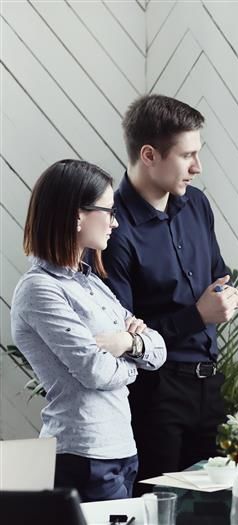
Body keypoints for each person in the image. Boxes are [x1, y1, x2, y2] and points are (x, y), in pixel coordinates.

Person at [101, 94, 238, 494]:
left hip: (209, 385)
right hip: (154, 394)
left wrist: (224, 299)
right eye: (187, 156)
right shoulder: (113, 230)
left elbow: (219, 275)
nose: (198, 167)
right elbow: (124, 338)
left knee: (215, 510)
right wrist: (199, 315)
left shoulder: (197, 204)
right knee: (157, 508)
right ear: (149, 154)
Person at [10, 159, 166, 502]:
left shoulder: (91, 283)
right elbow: (94, 371)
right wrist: (133, 359)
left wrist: (125, 341)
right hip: (82, 455)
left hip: (122, 448)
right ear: (77, 215)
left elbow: (158, 350)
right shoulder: (40, 289)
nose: (115, 222)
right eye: (108, 211)